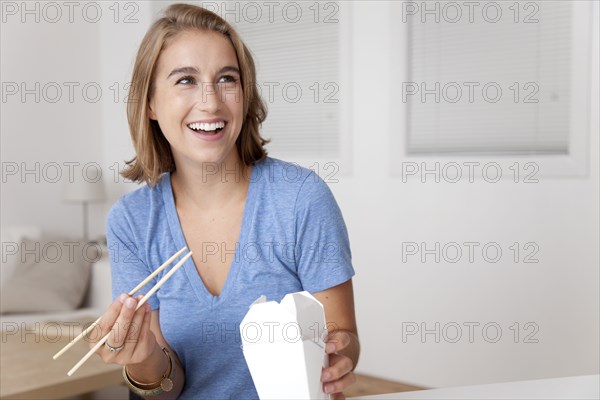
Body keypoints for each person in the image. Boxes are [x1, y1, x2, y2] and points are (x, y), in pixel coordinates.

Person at [91, 3, 359, 399]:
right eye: (185, 80)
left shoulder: (301, 198)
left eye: (226, 79)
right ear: (149, 102)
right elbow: (168, 387)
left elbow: (344, 337)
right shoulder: (132, 221)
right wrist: (143, 357)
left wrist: (338, 358)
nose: (211, 103)